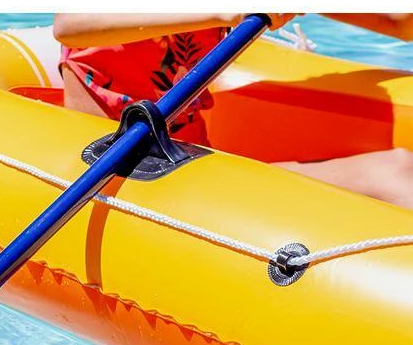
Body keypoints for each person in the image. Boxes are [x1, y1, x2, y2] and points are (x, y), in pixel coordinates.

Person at [53, 13, 413, 209]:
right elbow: (69, 25)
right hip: (115, 172)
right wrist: (221, 9)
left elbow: (397, 22)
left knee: (401, 168)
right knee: (391, 176)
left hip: (192, 161)